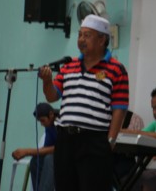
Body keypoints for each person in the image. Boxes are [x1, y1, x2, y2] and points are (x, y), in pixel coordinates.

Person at [39, 14, 129, 191]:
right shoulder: (68, 66)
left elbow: (120, 108)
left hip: (94, 141)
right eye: (80, 35)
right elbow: (52, 96)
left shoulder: (116, 69)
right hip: (65, 139)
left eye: (87, 35)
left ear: (102, 40)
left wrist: (110, 141)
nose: (81, 40)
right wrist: (47, 81)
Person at [11, 103, 58, 191]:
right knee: (36, 161)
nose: (42, 124)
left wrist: (27, 152)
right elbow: (47, 148)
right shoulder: (49, 126)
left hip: (69, 156)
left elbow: (59, 148)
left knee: (49, 159)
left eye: (43, 120)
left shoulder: (61, 123)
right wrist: (26, 153)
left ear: (51, 114)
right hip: (57, 156)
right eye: (40, 121)